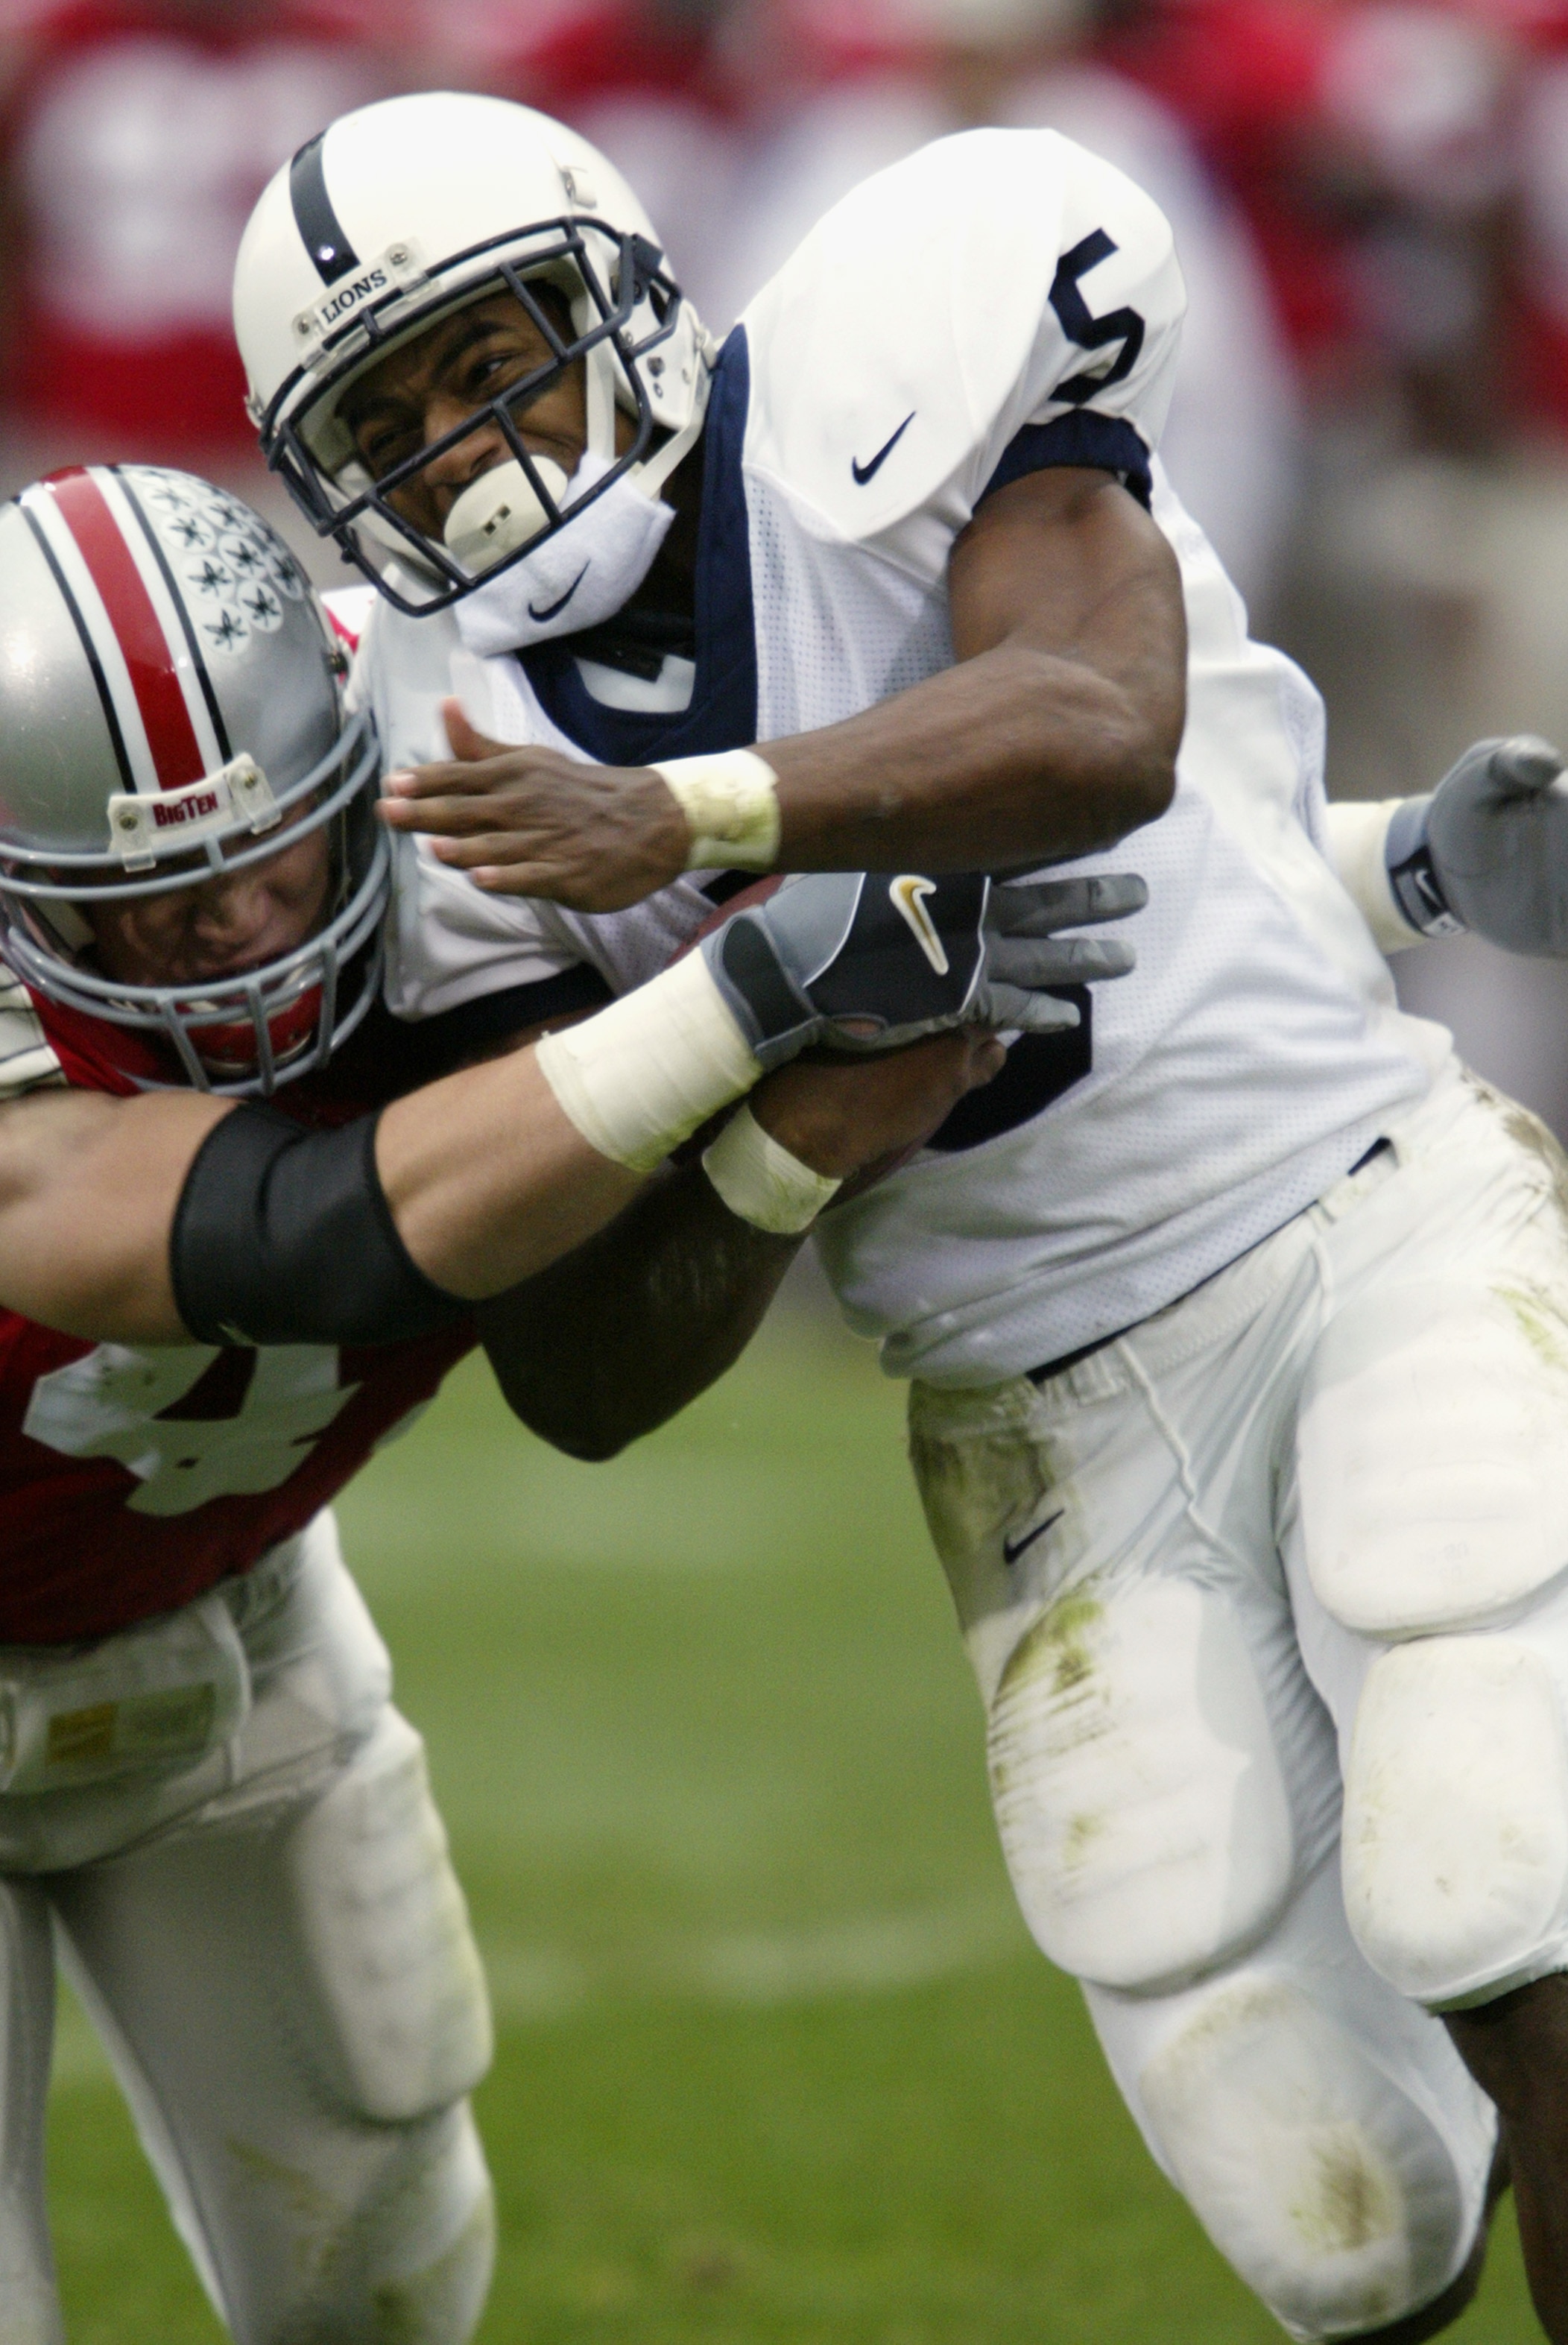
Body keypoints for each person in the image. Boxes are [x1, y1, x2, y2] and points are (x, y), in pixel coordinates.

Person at [233, 88, 1568, 2341]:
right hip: (1035, 1411)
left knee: (1498, 1868)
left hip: (1356, 1222)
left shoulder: (887, 373)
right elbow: (573, 1372)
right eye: (401, 420)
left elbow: (1100, 720)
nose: (474, 453)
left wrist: (694, 820)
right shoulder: (449, 783)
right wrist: (791, 1115)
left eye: (499, 360)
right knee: (1327, 2204)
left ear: (628, 302)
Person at [0, 458, 1125, 2343]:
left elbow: (1003, 868)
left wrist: (1381, 868)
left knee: (387, 2273)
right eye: (149, 912)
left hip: (218, 1629)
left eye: (270, 848)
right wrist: (750, 994)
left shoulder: (472, 773)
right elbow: (315, 1232)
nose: (241, 930)